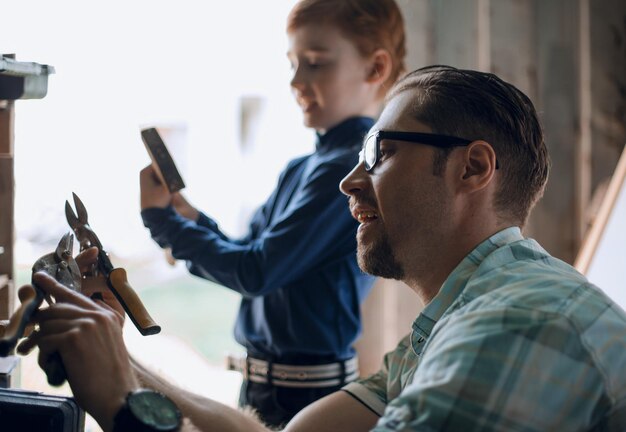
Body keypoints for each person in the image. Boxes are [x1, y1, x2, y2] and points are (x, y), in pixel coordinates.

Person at [21, 65, 626, 431]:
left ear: (472, 168)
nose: (348, 180)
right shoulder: (454, 321)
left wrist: (123, 409)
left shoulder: (517, 325)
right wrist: (117, 355)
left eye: (381, 154)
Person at [138, 0, 406, 427]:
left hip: (307, 395)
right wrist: (190, 221)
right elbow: (249, 250)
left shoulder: (347, 171)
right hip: (267, 386)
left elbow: (257, 271)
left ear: (375, 69)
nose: (296, 80)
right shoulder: (302, 168)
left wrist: (163, 222)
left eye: (315, 63)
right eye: (293, 63)